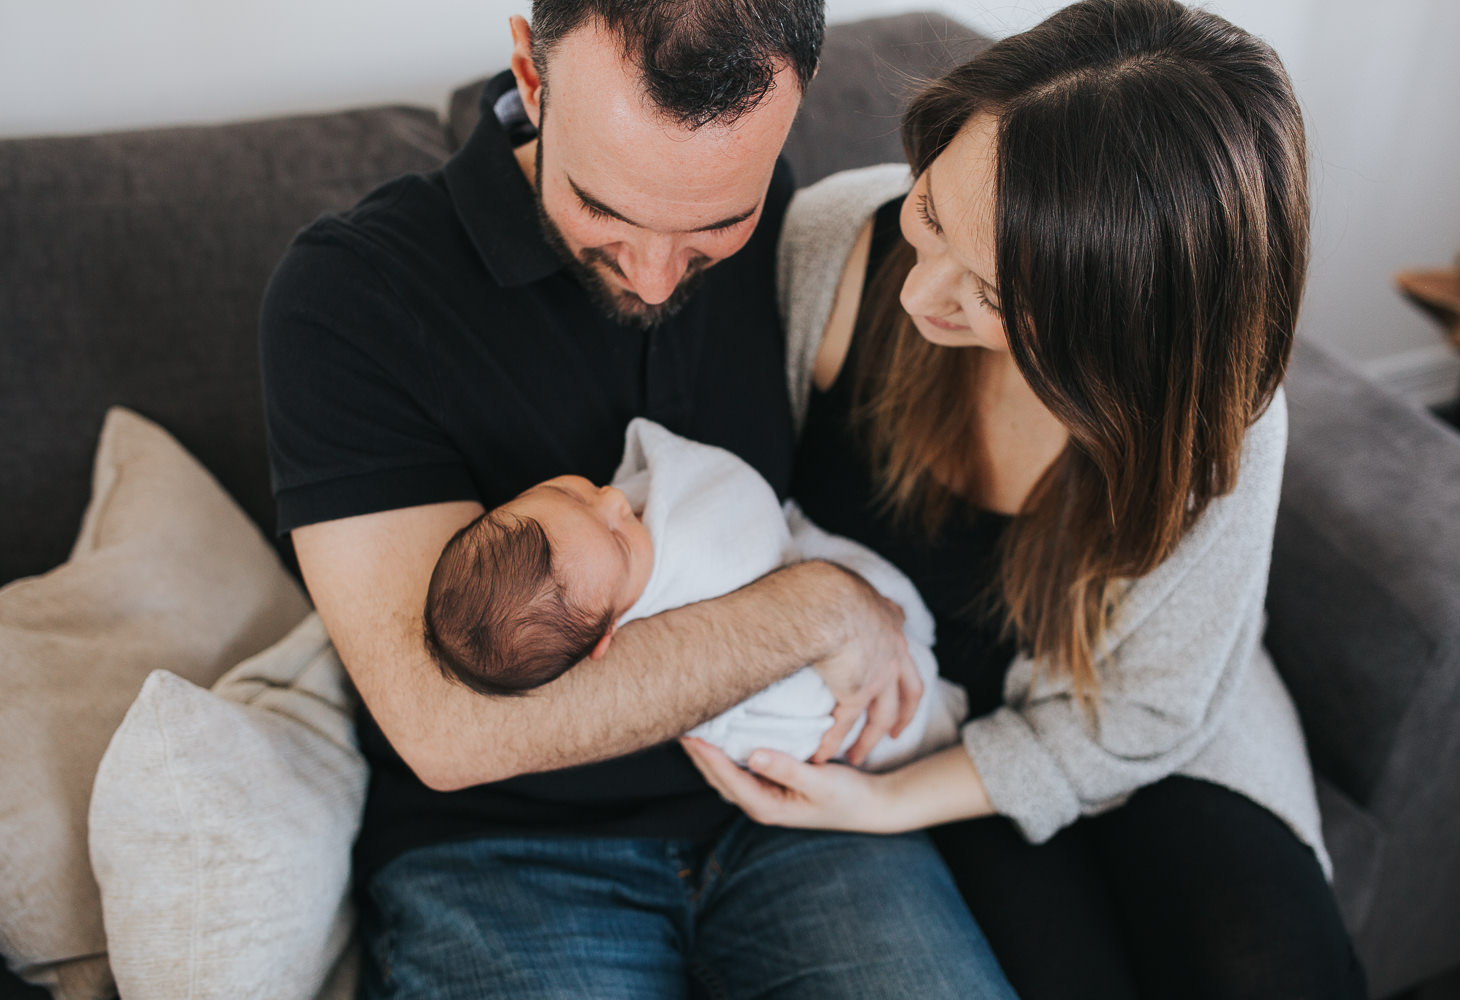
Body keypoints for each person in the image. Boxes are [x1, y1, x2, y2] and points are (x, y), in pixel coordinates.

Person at [259, 0, 1013, 996]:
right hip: (507, 856)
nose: (658, 279)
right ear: (532, 77)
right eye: (605, 210)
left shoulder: (793, 226)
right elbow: (448, 727)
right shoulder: (353, 297)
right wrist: (818, 607)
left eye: (715, 224)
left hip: (802, 817)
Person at [681, 1, 1371, 997]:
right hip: (937, 726)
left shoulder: (1215, 424)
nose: (921, 298)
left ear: (1132, 341)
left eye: (996, 298)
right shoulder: (831, 251)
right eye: (931, 215)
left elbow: (1145, 712)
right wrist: (890, 799)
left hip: (1141, 706)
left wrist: (891, 802)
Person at [422, 418, 967, 769]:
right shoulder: (662, 588)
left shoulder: (594, 564)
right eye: (620, 540)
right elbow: (735, 534)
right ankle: (940, 716)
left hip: (824, 583)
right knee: (863, 714)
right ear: (607, 637)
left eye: (571, 492)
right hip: (792, 709)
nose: (614, 500)